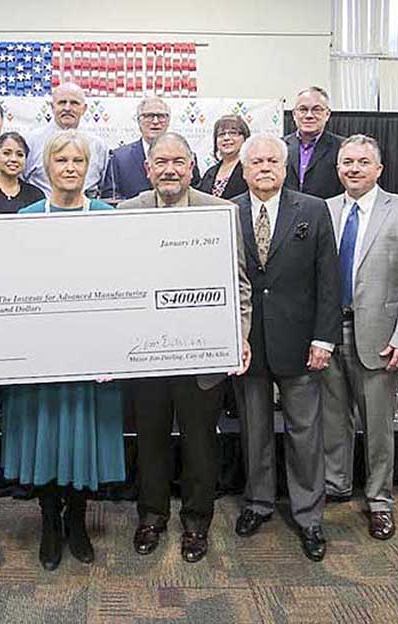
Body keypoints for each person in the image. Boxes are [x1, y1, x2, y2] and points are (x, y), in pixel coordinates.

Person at [117, 133, 252, 563]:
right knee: (151, 441)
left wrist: (240, 336)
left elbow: (240, 285)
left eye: (178, 161)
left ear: (192, 167)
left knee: (199, 445)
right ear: (148, 168)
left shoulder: (221, 212)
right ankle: (151, 516)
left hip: (203, 355)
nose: (170, 169)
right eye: (161, 162)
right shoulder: (126, 213)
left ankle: (197, 523)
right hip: (146, 354)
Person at [2, 130, 124, 571]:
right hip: (42, 354)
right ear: (47, 168)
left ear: (88, 167)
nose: (70, 168)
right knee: (47, 438)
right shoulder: (27, 216)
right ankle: (49, 521)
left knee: (84, 439)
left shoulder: (109, 216)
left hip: (93, 352)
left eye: (78, 161)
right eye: (61, 161)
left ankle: (77, 520)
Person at [231, 134, 341, 562]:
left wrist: (323, 338)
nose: (264, 167)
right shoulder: (227, 212)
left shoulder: (312, 210)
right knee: (254, 430)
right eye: (255, 161)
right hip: (248, 344)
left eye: (272, 160)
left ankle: (309, 516)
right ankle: (258, 503)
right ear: (243, 169)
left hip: (301, 344)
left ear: (285, 165)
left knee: (304, 434)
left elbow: (329, 281)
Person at [322, 134, 398, 540]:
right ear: (338, 168)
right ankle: (336, 485)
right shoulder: (324, 211)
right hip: (331, 333)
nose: (353, 168)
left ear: (378, 169)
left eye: (362, 162)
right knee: (334, 419)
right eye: (347, 162)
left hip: (382, 338)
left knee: (378, 425)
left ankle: (380, 501)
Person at [102, 97, 200, 200]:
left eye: (161, 116)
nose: (155, 121)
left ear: (168, 120)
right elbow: (111, 197)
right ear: (138, 120)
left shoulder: (187, 155)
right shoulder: (119, 158)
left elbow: (195, 194)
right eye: (149, 116)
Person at [23, 82, 109, 197]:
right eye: (62, 103)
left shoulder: (98, 145)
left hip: (86, 212)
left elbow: (104, 186)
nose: (67, 108)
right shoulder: (31, 141)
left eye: (74, 103)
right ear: (52, 107)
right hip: (42, 212)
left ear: (84, 109)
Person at [284, 86, 345, 199]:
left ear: (327, 114)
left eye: (316, 110)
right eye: (303, 109)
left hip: (327, 213)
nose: (309, 115)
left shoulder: (343, 147)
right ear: (294, 114)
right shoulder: (280, 146)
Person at [197, 114, 250, 200]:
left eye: (233, 133)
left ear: (245, 138)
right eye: (221, 134)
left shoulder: (249, 169)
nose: (226, 138)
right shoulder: (210, 173)